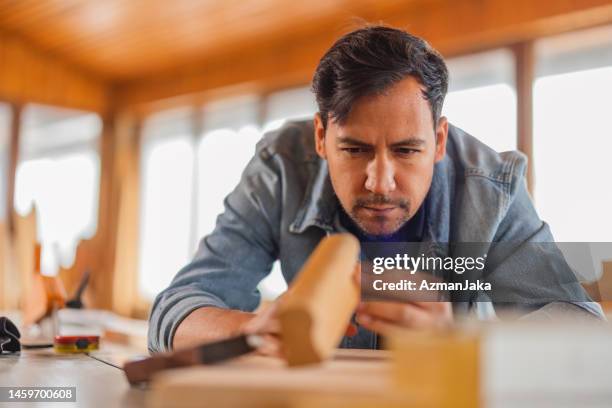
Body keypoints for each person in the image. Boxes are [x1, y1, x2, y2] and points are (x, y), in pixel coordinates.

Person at [148, 25, 602, 354]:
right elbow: (177, 309)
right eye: (355, 149)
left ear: (439, 140)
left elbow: (580, 330)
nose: (379, 183)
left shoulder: (491, 186)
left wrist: (462, 342)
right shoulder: (280, 167)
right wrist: (248, 329)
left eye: (406, 151)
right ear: (322, 137)